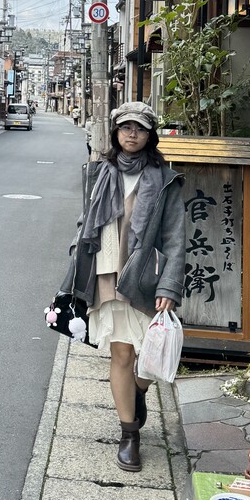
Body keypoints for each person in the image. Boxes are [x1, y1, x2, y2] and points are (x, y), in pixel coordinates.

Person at [66, 101, 185, 473]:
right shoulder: (99, 172)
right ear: (116, 133)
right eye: (126, 127)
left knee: (150, 354)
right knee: (120, 355)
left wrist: (170, 285)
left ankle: (138, 390)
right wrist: (76, 252)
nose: (132, 134)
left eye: (140, 128)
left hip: (146, 276)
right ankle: (129, 435)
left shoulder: (165, 179)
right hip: (106, 272)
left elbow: (175, 237)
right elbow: (87, 219)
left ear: (150, 135)